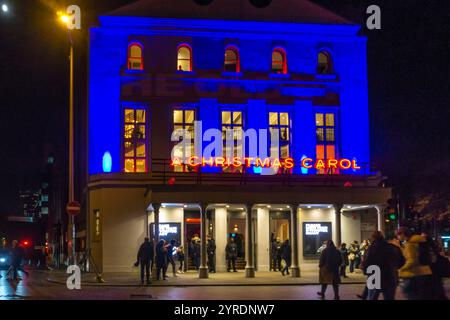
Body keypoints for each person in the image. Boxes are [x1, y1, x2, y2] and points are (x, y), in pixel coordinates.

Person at [362, 231, 405, 300]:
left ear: (373, 238)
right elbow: (402, 261)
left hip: (374, 276)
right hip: (390, 276)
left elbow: (366, 262)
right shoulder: (393, 248)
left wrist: (366, 271)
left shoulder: (371, 248)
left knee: (372, 297)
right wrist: (394, 268)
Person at [396, 227, 433, 300]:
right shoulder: (419, 241)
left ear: (403, 234)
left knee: (408, 293)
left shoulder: (410, 244)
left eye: (398, 235)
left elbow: (412, 260)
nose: (397, 237)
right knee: (420, 295)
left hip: (415, 273)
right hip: (425, 271)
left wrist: (401, 270)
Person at [422, 232, 448, 300]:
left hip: (431, 272)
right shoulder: (433, 247)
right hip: (435, 273)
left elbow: (432, 260)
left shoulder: (425, 248)